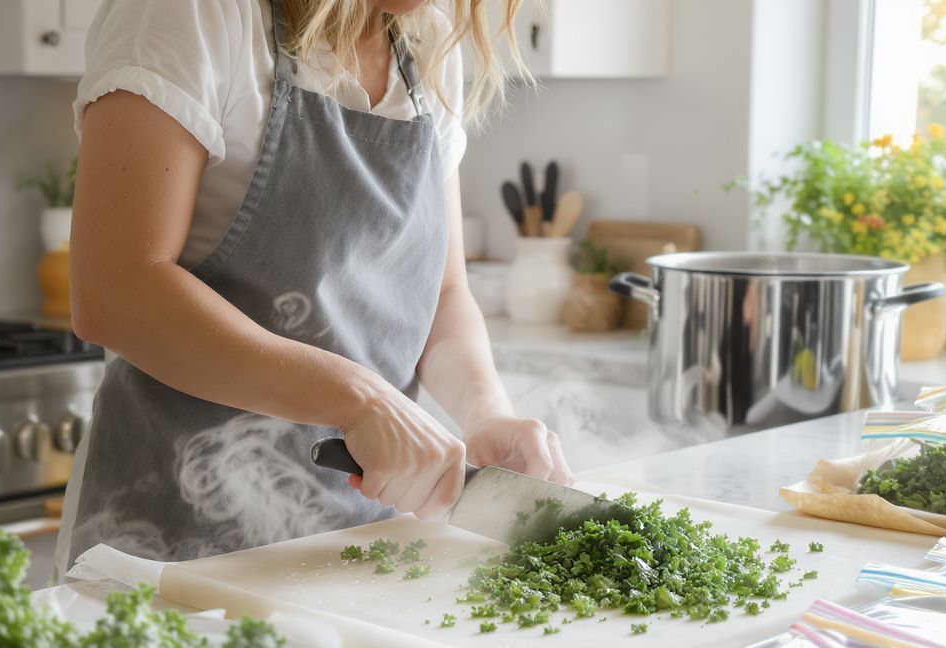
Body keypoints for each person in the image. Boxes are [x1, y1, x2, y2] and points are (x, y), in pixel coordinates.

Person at [56, 0, 571, 569]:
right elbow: (116, 291)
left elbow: (444, 294)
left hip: (362, 546)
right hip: (168, 538)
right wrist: (361, 400)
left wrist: (486, 414)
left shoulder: (428, 44)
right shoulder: (196, 12)